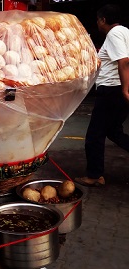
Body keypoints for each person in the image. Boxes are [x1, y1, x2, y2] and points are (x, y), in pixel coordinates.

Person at [75, 4, 129, 187]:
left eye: (98, 20)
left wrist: (125, 89)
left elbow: (124, 61)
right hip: (115, 89)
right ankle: (95, 173)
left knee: (94, 136)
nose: (97, 23)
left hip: (111, 90)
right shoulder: (125, 32)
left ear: (103, 20)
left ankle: (94, 175)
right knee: (114, 131)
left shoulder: (114, 34)